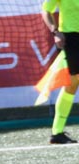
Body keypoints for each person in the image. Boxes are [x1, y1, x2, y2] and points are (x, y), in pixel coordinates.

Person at [42, 0, 79, 143]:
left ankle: (57, 133)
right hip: (71, 38)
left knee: (73, 83)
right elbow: (46, 10)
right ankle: (57, 132)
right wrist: (55, 32)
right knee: (72, 83)